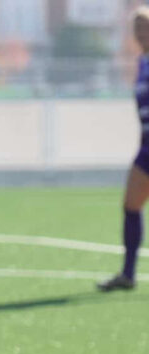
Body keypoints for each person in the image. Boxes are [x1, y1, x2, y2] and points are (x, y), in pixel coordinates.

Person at [98, 7, 149, 292]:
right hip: (146, 149)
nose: (141, 33)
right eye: (137, 28)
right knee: (130, 206)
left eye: (145, 26)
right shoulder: (142, 64)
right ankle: (128, 274)